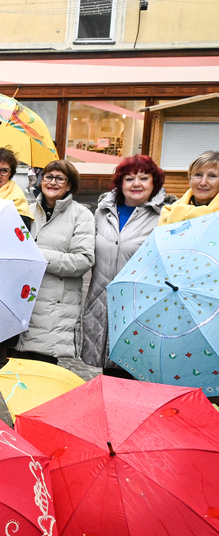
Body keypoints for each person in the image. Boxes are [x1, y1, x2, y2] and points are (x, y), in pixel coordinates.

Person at [81, 155, 168, 377]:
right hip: (103, 304)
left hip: (141, 309)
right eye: (129, 178)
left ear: (154, 183)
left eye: (143, 178)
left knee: (136, 378)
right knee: (109, 376)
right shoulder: (102, 212)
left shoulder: (166, 216)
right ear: (120, 183)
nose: (136, 184)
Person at [16, 159, 95, 365]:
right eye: (48, 177)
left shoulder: (82, 215)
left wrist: (35, 254)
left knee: (41, 374)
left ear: (69, 185)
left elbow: (82, 261)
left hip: (53, 310)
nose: (53, 182)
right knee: (16, 378)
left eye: (60, 178)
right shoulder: (27, 211)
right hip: (22, 304)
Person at [159, 150, 219, 225]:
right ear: (190, 179)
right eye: (198, 175)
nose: (203, 182)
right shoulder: (168, 212)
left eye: (212, 176)